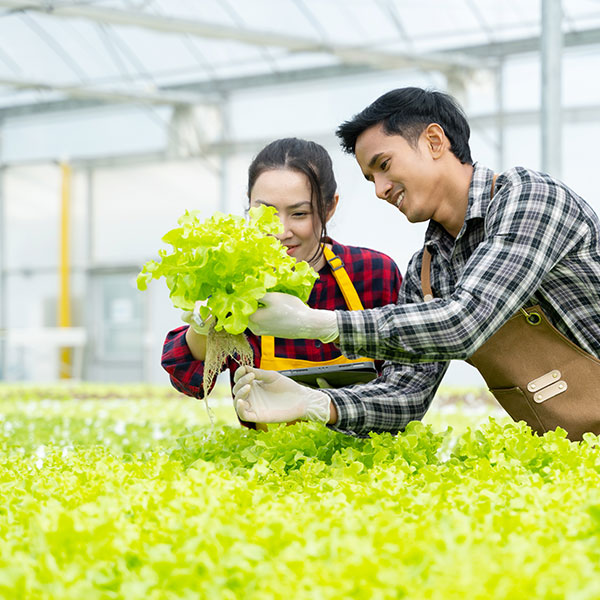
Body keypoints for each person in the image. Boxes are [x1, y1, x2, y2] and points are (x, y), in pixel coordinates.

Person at [234, 87, 600, 441]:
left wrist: (316, 323)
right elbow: (405, 394)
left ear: (435, 141)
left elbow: (465, 321)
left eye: (384, 165)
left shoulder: (530, 199)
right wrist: (317, 403)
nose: (380, 189)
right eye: (370, 177)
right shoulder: (427, 273)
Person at [161, 137, 403, 429]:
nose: (281, 231)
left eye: (299, 213)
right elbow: (190, 383)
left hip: (364, 460)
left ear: (329, 208)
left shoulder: (372, 273)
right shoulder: (238, 280)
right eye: (266, 214)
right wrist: (204, 327)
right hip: (269, 465)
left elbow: (406, 384)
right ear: (249, 207)